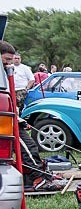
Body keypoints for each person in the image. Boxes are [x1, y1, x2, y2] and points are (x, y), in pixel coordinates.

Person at [0, 41, 61, 191]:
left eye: (11, 60)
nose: (9, 63)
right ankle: (38, 178)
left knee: (29, 147)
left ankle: (37, 175)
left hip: (10, 118)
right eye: (6, 59)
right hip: (5, 122)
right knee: (28, 147)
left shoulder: (4, 74)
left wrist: (19, 119)